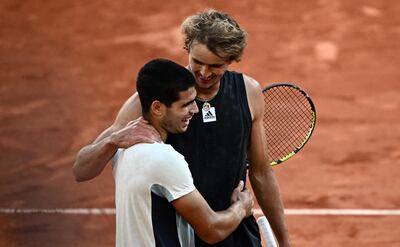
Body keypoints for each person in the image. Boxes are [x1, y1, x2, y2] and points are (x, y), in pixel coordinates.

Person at [73, 9, 291, 247]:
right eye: (197, 62)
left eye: (215, 66)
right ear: (187, 49)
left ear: (231, 60)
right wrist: (112, 140)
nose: (204, 73)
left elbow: (260, 173)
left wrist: (285, 241)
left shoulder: (249, 93)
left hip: (235, 229)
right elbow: (81, 170)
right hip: (182, 235)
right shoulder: (153, 100)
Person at [112, 58, 253, 247]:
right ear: (157, 108)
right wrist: (241, 208)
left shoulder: (121, 149)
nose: (195, 109)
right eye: (185, 104)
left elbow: (81, 168)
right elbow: (211, 230)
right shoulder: (165, 159)